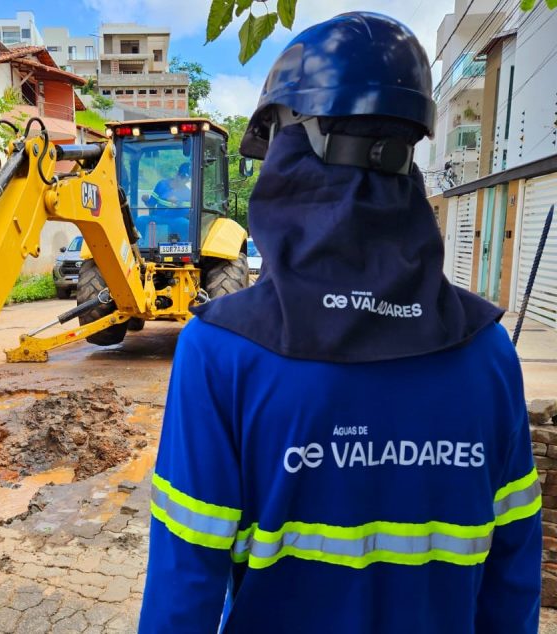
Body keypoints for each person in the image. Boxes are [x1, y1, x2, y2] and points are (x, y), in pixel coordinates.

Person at [139, 12, 541, 634]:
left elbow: (181, 593)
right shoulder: (488, 352)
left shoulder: (220, 352)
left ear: (298, 149)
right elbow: (513, 584)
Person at [137, 163, 192, 245]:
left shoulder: (188, 193)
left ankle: (181, 245)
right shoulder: (161, 185)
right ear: (177, 174)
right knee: (139, 220)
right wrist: (146, 200)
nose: (183, 180)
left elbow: (188, 213)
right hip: (159, 219)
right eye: (182, 176)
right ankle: (149, 242)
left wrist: (178, 203)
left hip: (176, 220)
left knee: (187, 224)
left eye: (186, 178)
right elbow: (151, 204)